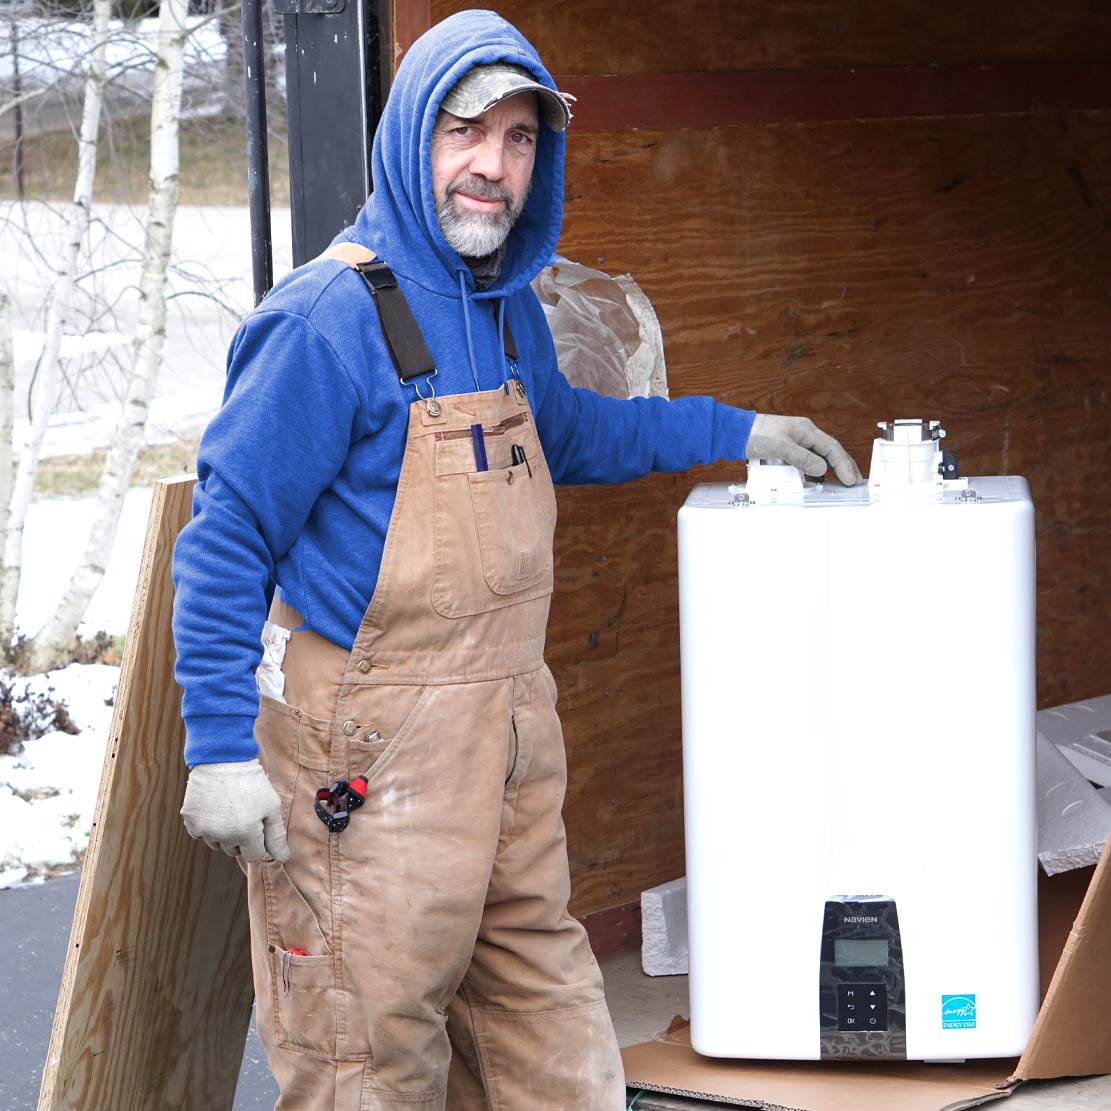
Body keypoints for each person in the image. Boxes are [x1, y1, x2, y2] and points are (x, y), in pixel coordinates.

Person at [172, 10, 862, 1111]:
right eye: (463, 132)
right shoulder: (326, 321)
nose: (491, 167)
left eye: (519, 139)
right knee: (368, 1061)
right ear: (409, 138)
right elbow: (224, 539)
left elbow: (572, 433)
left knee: (553, 1049)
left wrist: (735, 432)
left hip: (502, 749)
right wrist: (216, 743)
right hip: (370, 757)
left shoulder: (501, 307)